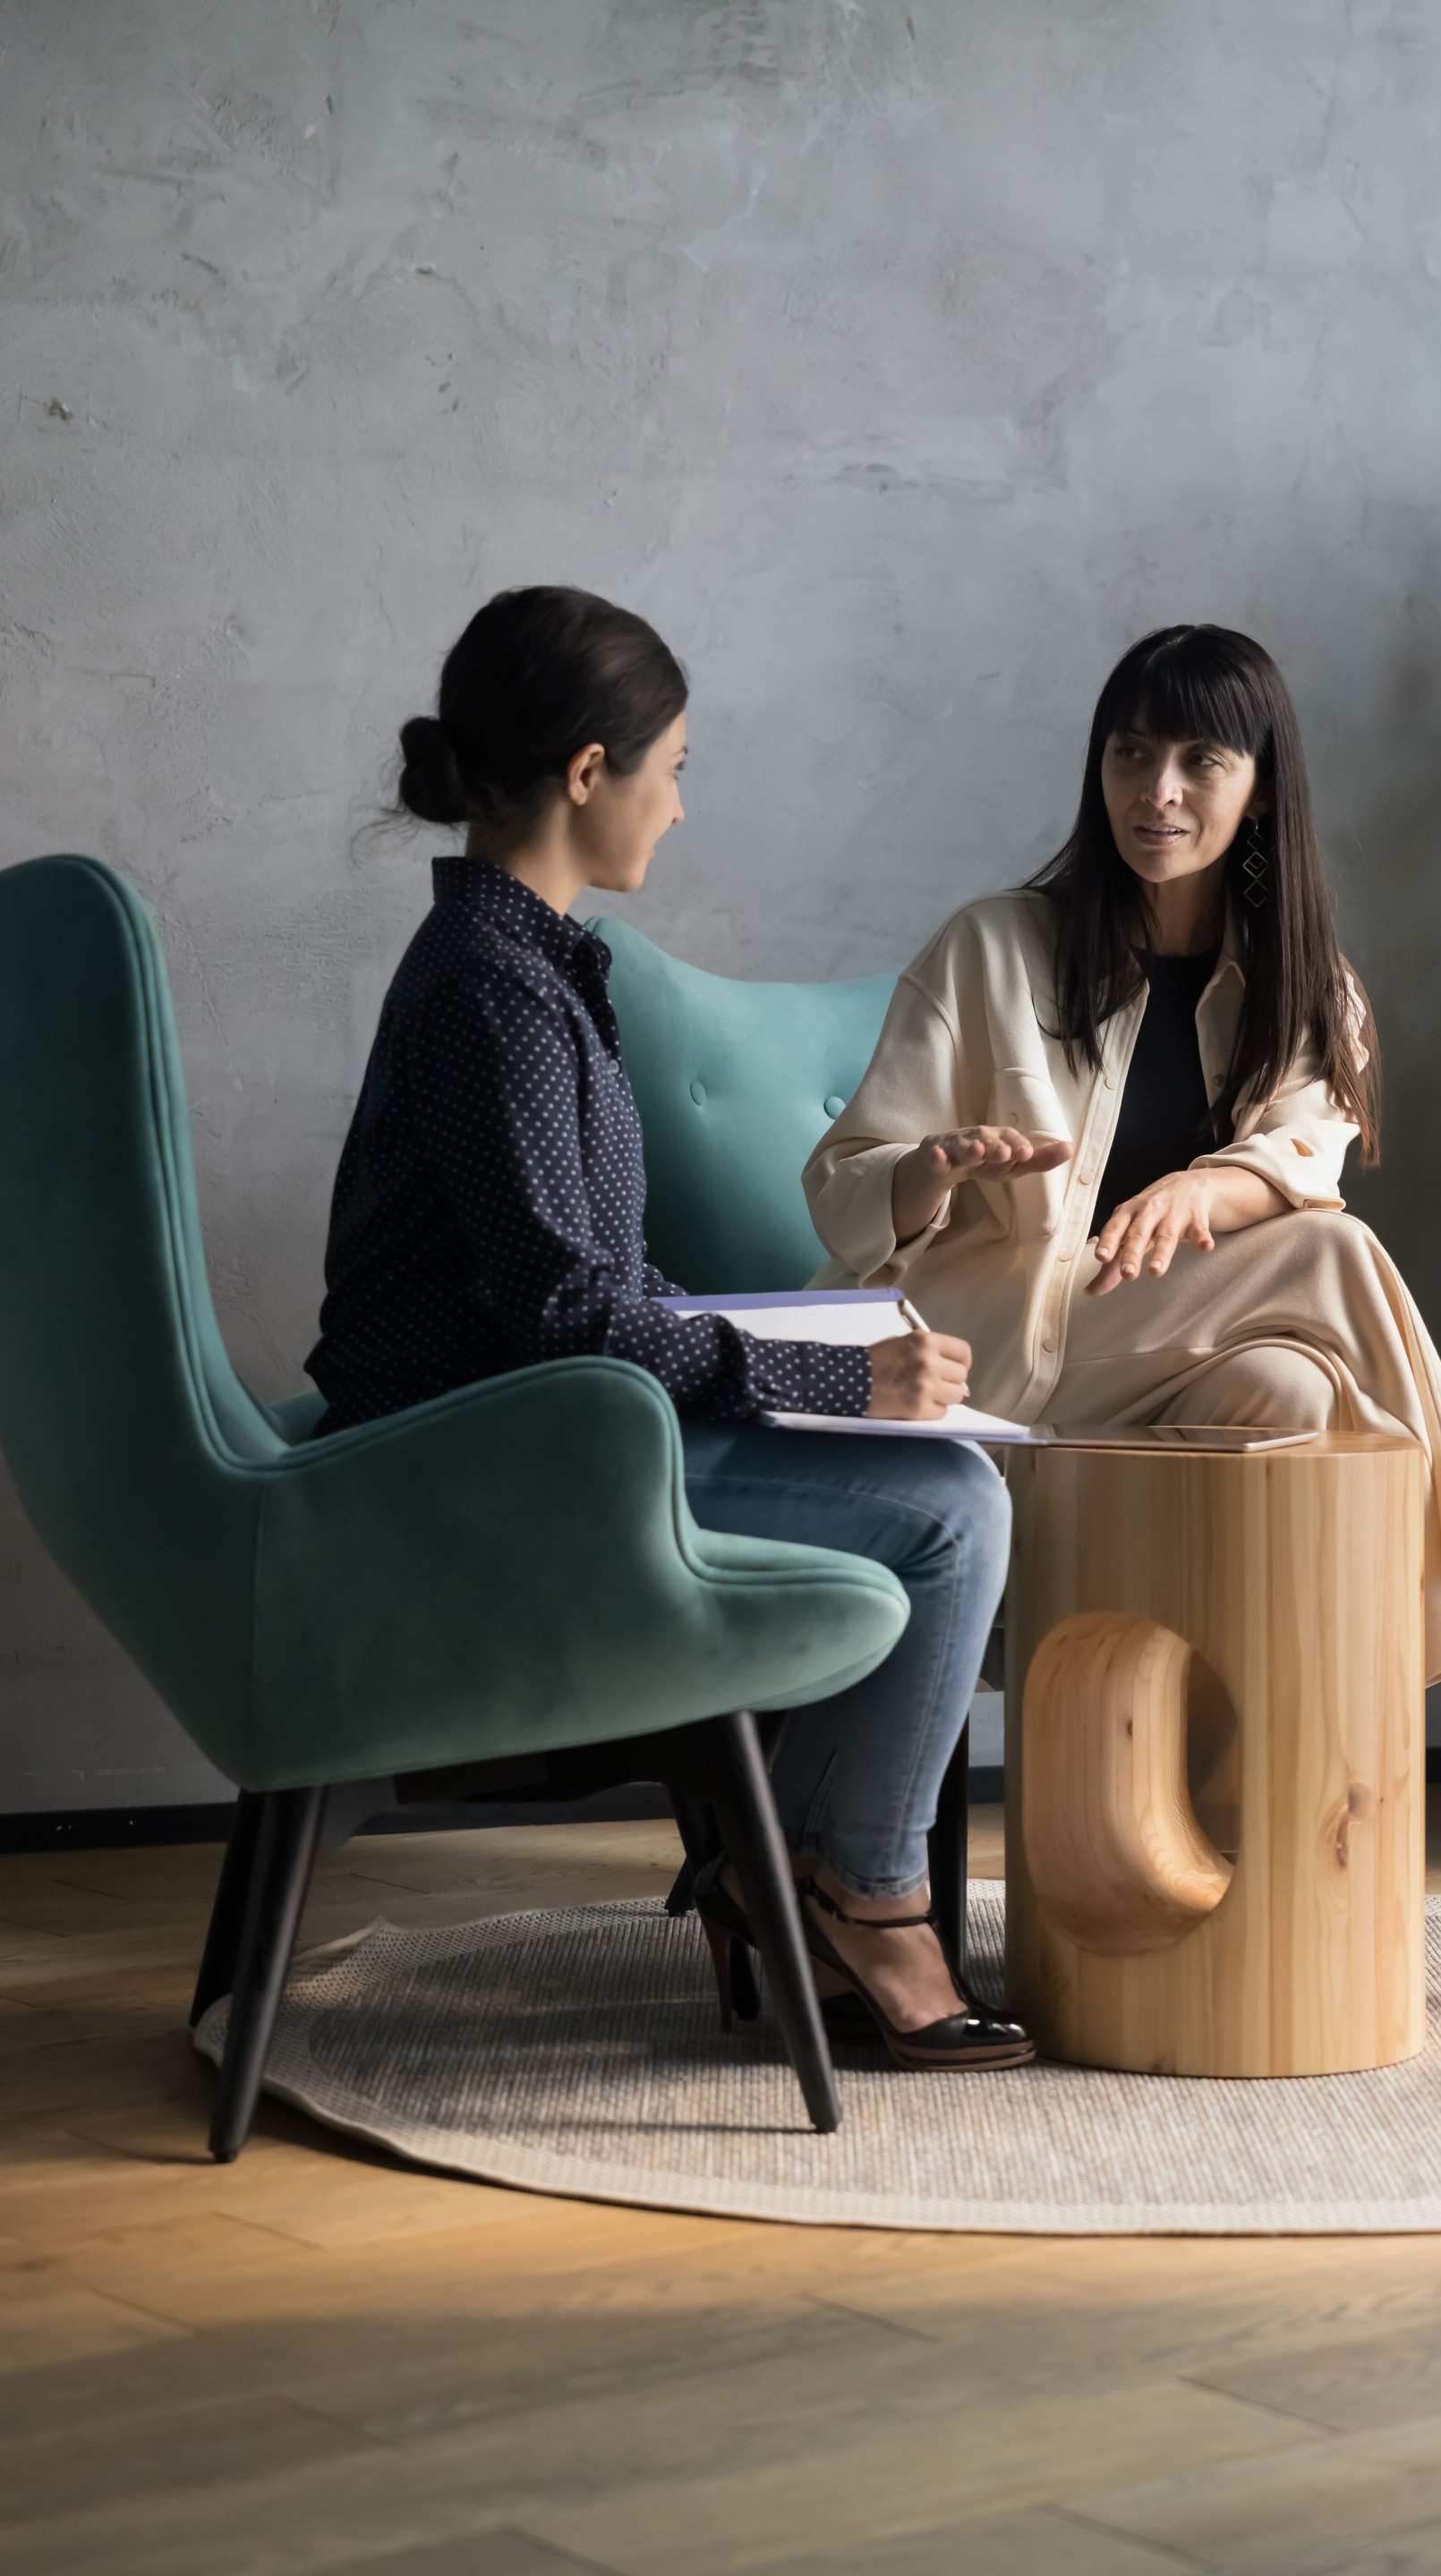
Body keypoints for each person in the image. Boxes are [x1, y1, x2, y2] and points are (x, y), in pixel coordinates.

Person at [805, 623, 1441, 1844]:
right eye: (1131, 754)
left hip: (1150, 1379)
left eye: (1199, 761)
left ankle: (1232, 1801)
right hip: (989, 1365)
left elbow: (1306, 1146)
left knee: (1293, 1387)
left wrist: (1207, 1192)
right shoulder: (993, 949)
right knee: (1333, 1254)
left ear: (1262, 785)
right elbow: (842, 1188)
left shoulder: (1304, 981)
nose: (1159, 791)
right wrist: (932, 1169)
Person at [306, 585, 1030, 2067]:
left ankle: (797, 1868)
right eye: (676, 766)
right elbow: (571, 1319)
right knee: (952, 1506)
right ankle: (858, 1894)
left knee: (941, 1482)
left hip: (537, 1426)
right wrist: (828, 1371)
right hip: (483, 1464)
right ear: (591, 773)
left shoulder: (525, 966)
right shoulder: (497, 992)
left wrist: (791, 1353)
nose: (681, 808)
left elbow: (589, 1292)